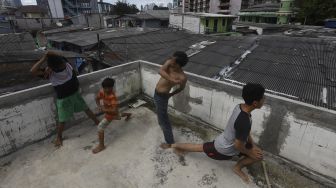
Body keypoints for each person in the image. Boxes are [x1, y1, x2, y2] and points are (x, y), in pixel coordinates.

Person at [161, 83, 265, 183]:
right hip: (222, 149)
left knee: (257, 153)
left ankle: (238, 166)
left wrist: (253, 145)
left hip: (228, 141)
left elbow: (245, 132)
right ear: (255, 103)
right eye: (262, 98)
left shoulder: (240, 107)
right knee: (199, 148)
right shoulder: (244, 121)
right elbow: (238, 145)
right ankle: (172, 145)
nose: (264, 99)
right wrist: (250, 152)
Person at [30, 51, 100, 147]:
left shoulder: (65, 63)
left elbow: (55, 53)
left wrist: (49, 55)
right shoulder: (49, 73)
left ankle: (97, 122)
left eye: (63, 64)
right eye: (60, 66)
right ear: (53, 67)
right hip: (63, 99)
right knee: (62, 119)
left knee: (86, 109)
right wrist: (44, 58)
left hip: (75, 94)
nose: (63, 66)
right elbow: (32, 71)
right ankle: (59, 137)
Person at [154, 51, 188, 147]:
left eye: (173, 61)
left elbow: (181, 88)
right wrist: (172, 80)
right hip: (156, 93)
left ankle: (170, 142)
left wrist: (171, 94)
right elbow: (160, 71)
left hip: (162, 97)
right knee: (161, 115)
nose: (170, 61)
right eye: (172, 59)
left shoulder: (182, 77)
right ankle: (161, 123)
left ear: (178, 65)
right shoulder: (170, 63)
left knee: (164, 120)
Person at [92, 77, 132, 154]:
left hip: (111, 114)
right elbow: (97, 99)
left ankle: (101, 146)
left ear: (112, 87)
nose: (107, 90)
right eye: (105, 88)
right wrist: (99, 106)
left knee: (100, 127)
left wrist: (104, 110)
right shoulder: (102, 92)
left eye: (109, 88)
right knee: (118, 115)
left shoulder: (113, 98)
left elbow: (114, 110)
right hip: (112, 113)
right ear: (103, 87)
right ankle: (129, 114)